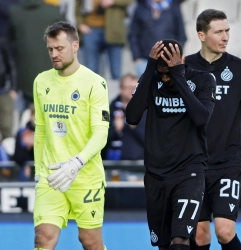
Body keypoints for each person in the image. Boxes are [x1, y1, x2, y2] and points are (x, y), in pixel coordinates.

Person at [185, 9, 241, 250]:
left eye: (227, 31)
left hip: (227, 163)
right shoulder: (185, 68)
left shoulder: (240, 69)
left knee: (224, 230)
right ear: (201, 35)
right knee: (199, 234)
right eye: (218, 31)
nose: (225, 37)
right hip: (193, 164)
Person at [126, 39, 216, 250]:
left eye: (169, 72)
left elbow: (201, 118)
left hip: (189, 172)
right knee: (165, 245)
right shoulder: (152, 77)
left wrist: (178, 75)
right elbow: (132, 116)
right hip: (156, 175)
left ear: (181, 61)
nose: (165, 78)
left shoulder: (203, 80)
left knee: (180, 239)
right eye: (162, 72)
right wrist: (149, 69)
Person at [33, 21, 109, 250]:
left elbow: (101, 133)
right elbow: (41, 130)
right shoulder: (41, 81)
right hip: (52, 175)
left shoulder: (95, 83)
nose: (54, 54)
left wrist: (77, 163)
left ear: (75, 46)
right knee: (43, 237)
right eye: (50, 49)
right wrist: (39, 171)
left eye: (59, 48)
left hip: (85, 176)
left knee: (90, 241)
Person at [8, 0, 63, 111]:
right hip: (49, 77)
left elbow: (10, 41)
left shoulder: (14, 12)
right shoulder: (53, 12)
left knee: (23, 120)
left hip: (23, 78)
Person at [76, 0, 132, 80]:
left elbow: (130, 1)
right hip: (90, 29)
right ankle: (93, 91)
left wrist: (113, 2)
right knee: (91, 70)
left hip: (114, 29)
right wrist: (80, 23)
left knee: (116, 71)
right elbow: (78, 6)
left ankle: (116, 92)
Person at [128, 0, 187, 77]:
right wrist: (137, 57)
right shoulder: (141, 7)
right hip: (145, 60)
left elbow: (181, 35)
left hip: (168, 61)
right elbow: (133, 34)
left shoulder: (174, 8)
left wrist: (176, 56)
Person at [104, 73, 146, 161]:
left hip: (138, 163)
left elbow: (151, 141)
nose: (133, 91)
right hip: (112, 162)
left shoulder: (146, 109)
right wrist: (115, 129)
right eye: (129, 88)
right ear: (121, 89)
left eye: (135, 87)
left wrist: (135, 127)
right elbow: (100, 138)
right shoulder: (108, 109)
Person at [0, 36, 17, 139]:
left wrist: (14, 88)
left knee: (6, 128)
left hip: (4, 91)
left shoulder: (2, 41)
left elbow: (11, 64)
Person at [13, 104, 35, 182]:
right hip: (24, 172)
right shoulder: (22, 133)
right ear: (31, 116)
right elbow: (17, 158)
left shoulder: (46, 133)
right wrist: (28, 146)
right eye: (35, 115)